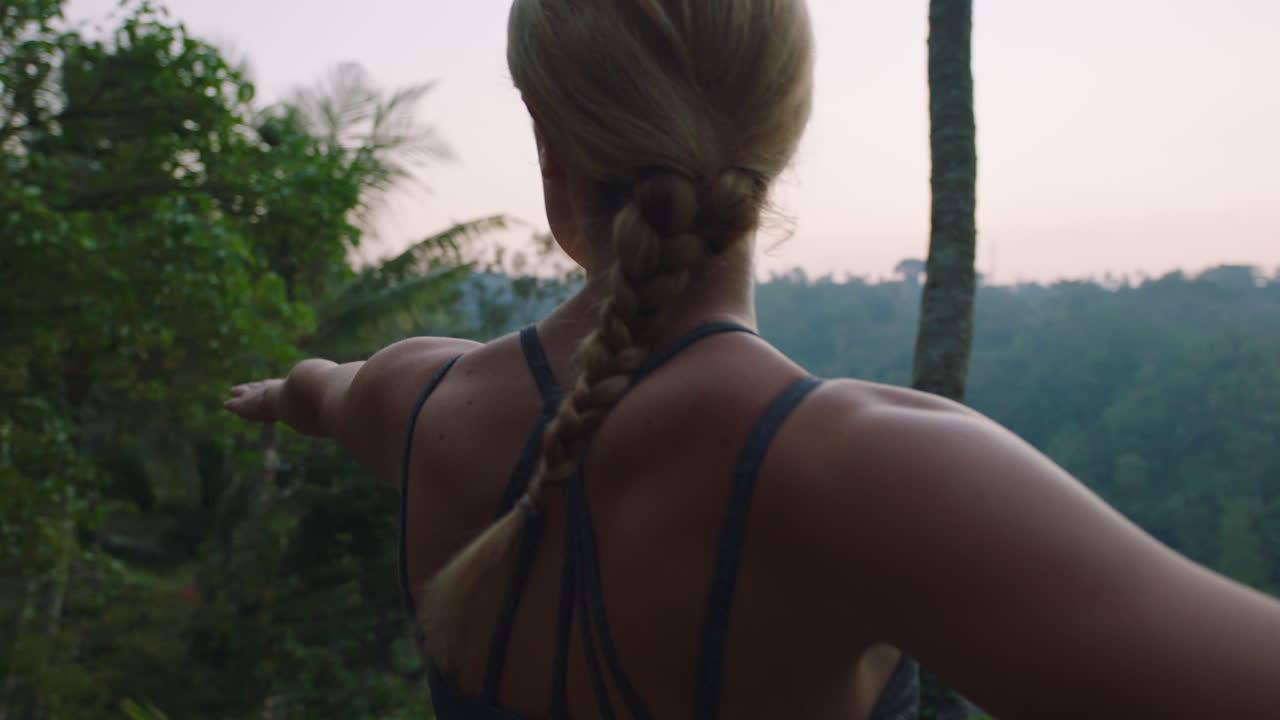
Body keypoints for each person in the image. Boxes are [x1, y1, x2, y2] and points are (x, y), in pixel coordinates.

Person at [224, 0, 1280, 717]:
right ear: (781, 132)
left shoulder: (420, 401)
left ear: (549, 151)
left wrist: (272, 395)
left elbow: (324, 392)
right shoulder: (857, 476)